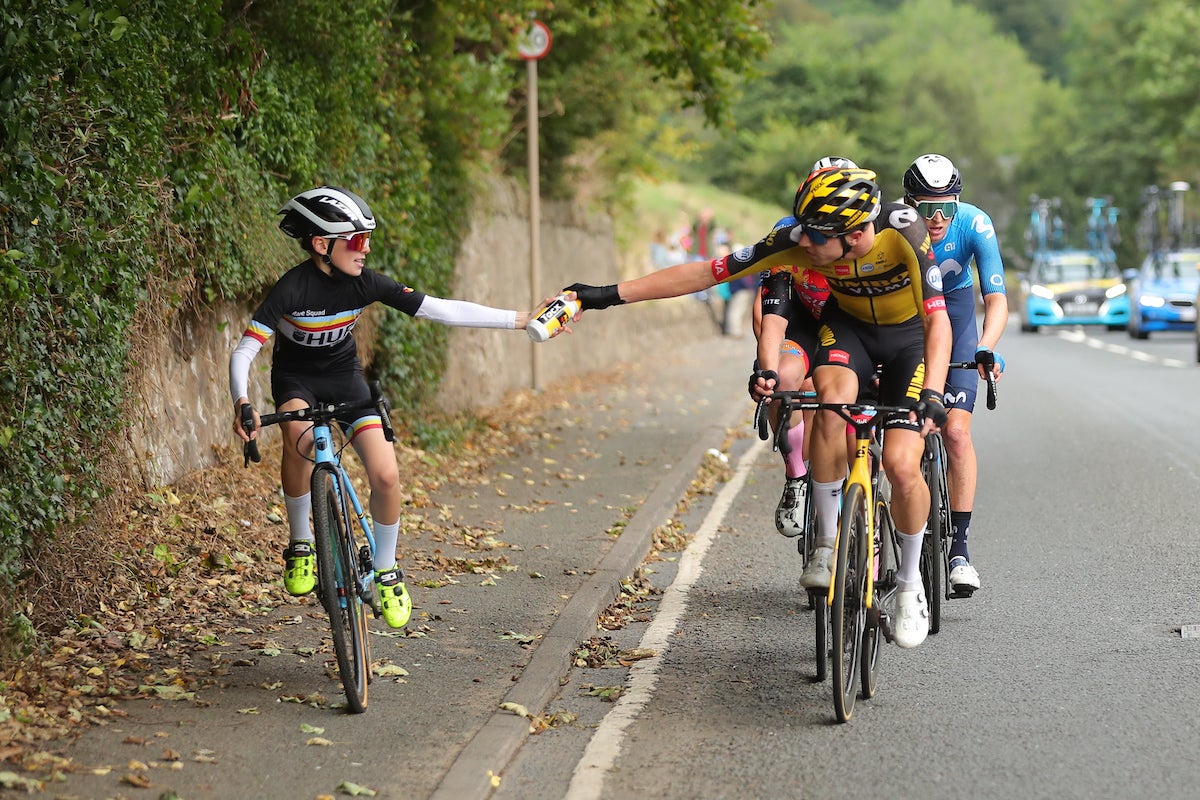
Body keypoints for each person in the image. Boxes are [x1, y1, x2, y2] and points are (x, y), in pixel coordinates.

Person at [564, 167, 951, 649]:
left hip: (909, 340)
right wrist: (603, 296)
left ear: (854, 235)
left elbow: (938, 322)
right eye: (802, 230)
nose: (803, 243)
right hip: (847, 331)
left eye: (815, 236)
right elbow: (707, 272)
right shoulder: (798, 238)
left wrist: (933, 393)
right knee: (831, 408)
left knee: (899, 463)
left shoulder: (903, 231)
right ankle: (828, 545)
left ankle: (911, 585)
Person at [230, 186, 557, 629]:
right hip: (297, 380)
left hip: (346, 379)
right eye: (356, 241)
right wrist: (243, 402)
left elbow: (440, 310)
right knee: (300, 441)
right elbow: (246, 350)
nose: (365, 250)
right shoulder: (291, 288)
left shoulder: (367, 283)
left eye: (367, 240)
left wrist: (521, 319)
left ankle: (385, 570)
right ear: (321, 245)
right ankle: (302, 542)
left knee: (386, 474)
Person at [902, 153, 1007, 596]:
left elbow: (996, 298)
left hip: (960, 316)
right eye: (926, 207)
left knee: (957, 434)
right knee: (901, 430)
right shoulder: (895, 226)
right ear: (910, 204)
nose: (938, 217)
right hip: (912, 320)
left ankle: (960, 550)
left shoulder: (975, 224)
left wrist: (987, 346)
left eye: (947, 205)